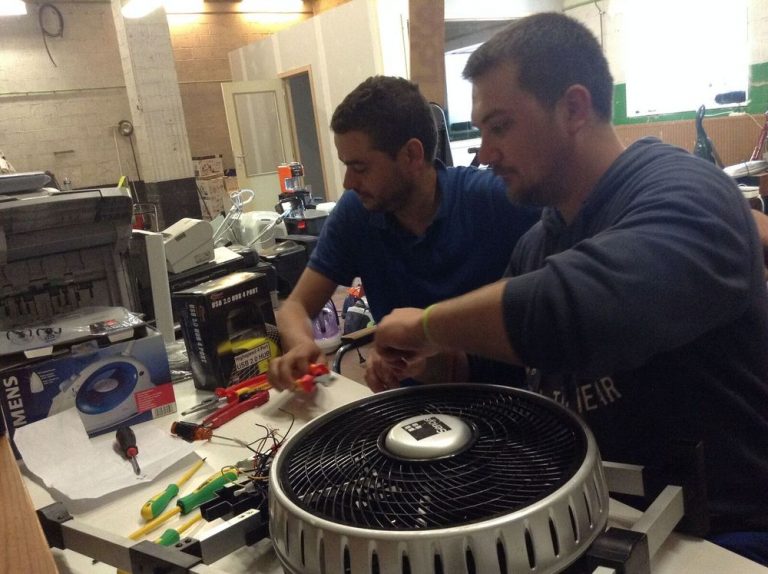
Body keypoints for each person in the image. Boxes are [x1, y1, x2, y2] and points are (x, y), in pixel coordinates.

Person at [373, 13, 768, 563]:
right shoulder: (538, 243)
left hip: (722, 537)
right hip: (598, 517)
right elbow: (497, 365)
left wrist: (426, 325)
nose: (484, 153)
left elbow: (576, 308)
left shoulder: (687, 192)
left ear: (574, 109)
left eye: (500, 127)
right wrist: (425, 360)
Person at [268, 76, 540, 392]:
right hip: (416, 403)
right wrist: (301, 344)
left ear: (411, 155)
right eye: (346, 166)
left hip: (507, 399)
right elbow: (294, 308)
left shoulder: (494, 200)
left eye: (360, 168)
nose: (347, 182)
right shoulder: (357, 212)